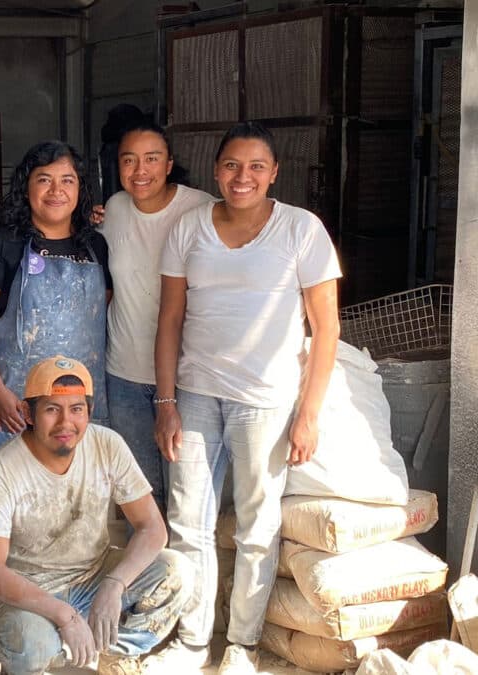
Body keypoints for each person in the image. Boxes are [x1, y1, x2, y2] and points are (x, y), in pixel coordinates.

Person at [150, 121, 341, 674]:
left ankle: (242, 644)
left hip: (267, 400)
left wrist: (308, 413)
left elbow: (325, 328)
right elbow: (169, 319)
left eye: (257, 166)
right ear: (216, 170)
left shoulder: (301, 230)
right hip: (196, 393)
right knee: (188, 522)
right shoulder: (189, 228)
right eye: (232, 165)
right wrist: (166, 403)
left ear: (275, 173)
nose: (243, 177)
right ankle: (191, 641)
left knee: (258, 526)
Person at [0, 355, 194, 675]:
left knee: (177, 571)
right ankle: (50, 648)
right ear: (27, 413)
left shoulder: (107, 444)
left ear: (89, 412)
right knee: (32, 647)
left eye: (77, 409)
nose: (66, 423)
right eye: (51, 409)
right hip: (29, 590)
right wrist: (64, 615)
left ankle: (113, 655)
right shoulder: (3, 471)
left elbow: (152, 529)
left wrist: (115, 584)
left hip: (93, 574)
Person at [0, 140, 112, 526]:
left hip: (78, 404)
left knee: (74, 508)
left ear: (80, 190)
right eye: (44, 180)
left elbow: (99, 316)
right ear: (26, 187)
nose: (56, 190)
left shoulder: (95, 245)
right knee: (8, 507)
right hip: (12, 403)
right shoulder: (2, 245)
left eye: (67, 180)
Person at [100, 120, 214, 519]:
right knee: (140, 494)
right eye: (128, 160)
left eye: (151, 159)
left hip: (185, 376)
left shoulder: (201, 209)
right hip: (124, 374)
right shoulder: (113, 209)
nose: (139, 170)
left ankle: (186, 576)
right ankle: (147, 577)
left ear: (169, 164)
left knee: (188, 494)